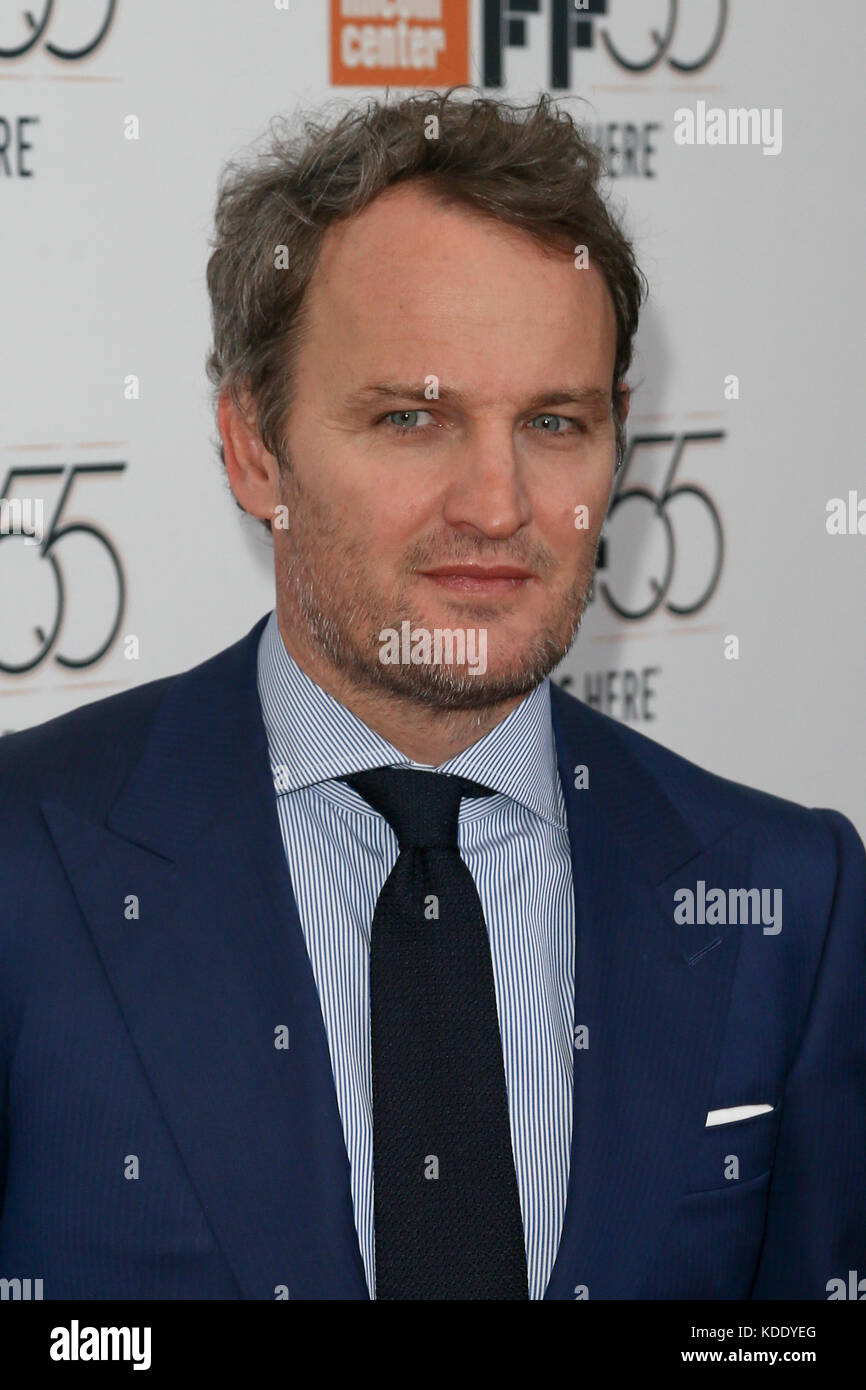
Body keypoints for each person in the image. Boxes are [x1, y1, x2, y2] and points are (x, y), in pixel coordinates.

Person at [0, 89, 863, 1301]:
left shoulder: (788, 898)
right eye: (412, 417)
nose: (498, 506)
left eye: (555, 420)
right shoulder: (26, 863)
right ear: (255, 449)